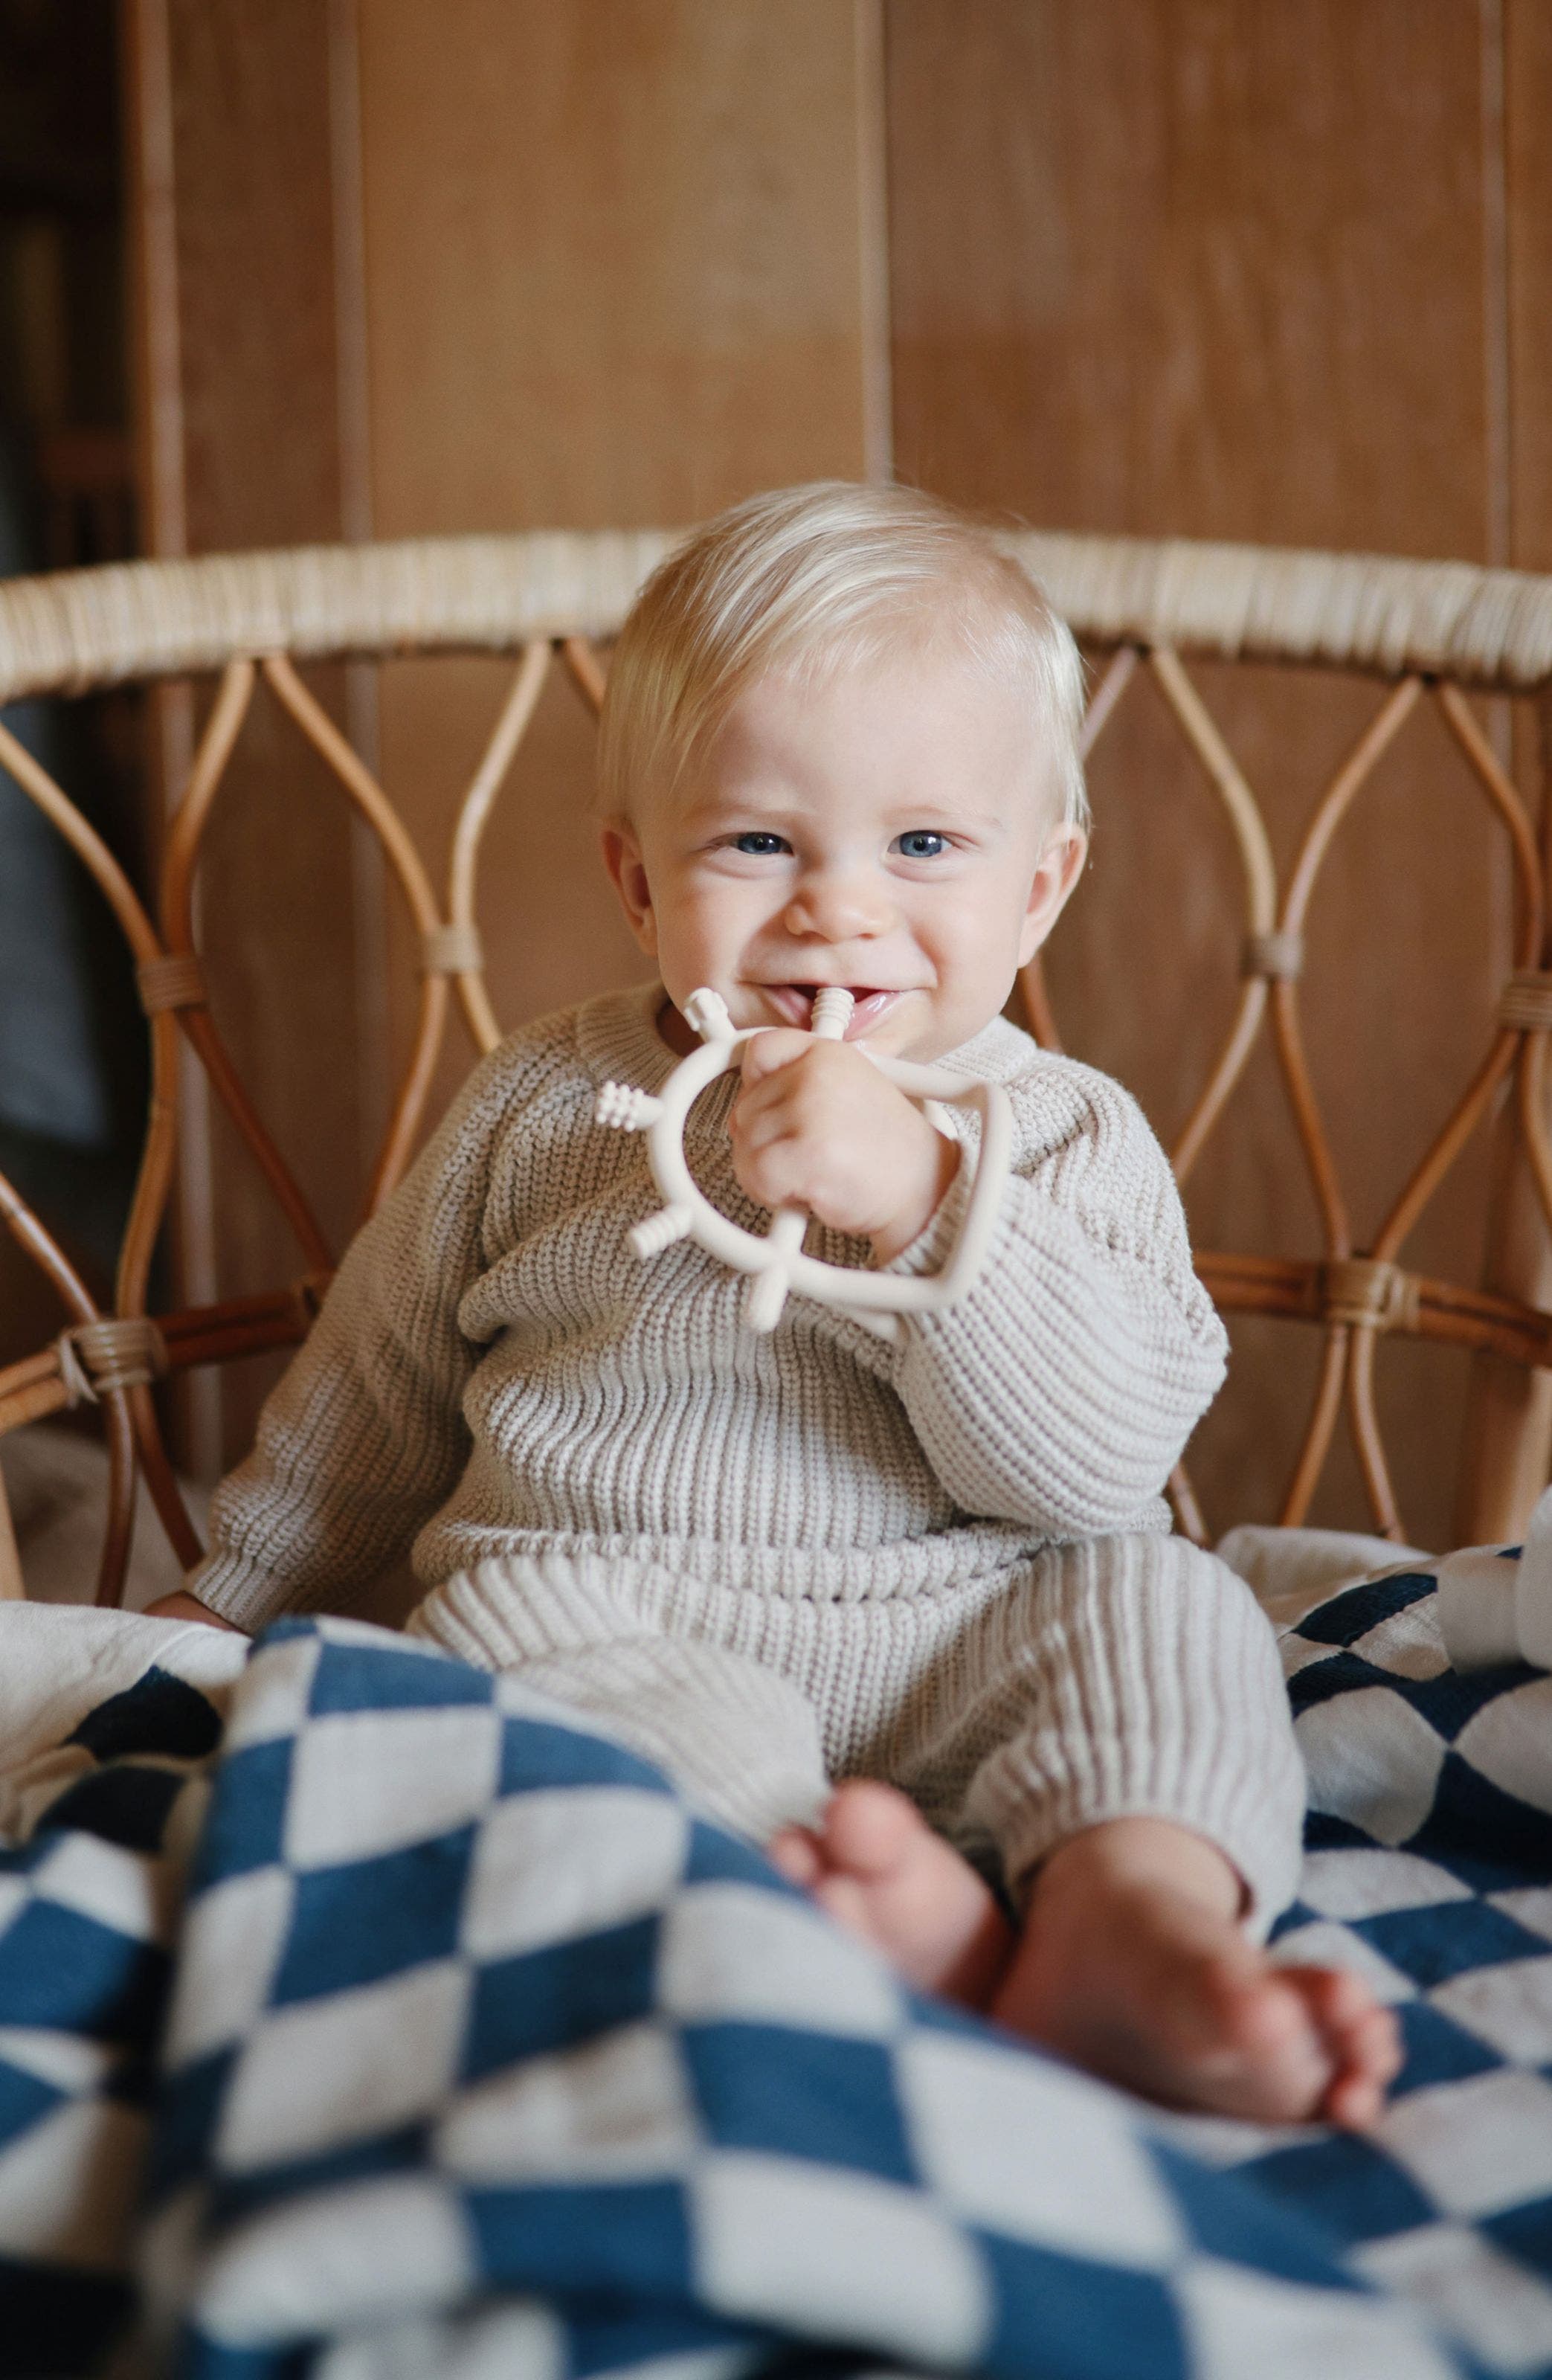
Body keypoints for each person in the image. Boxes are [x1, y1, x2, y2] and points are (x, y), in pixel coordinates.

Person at [149, 482, 1399, 2126]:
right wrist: (223, 1599)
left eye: (925, 846)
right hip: (618, 1610)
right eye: (758, 844)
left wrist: (934, 1202)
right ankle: (824, 1897)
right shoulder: (539, 1103)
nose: (838, 909)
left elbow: (1099, 1471)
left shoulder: (1066, 1135)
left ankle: (1130, 1914)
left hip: (965, 1631)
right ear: (637, 882)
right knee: (490, 1651)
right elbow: (369, 1399)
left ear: (1039, 889)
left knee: (1168, 1606)